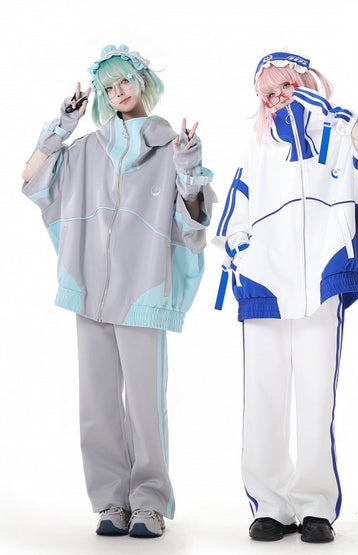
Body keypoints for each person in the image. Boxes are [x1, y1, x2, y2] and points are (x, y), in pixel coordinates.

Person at [22, 44, 215, 538]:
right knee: (97, 404)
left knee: (146, 407)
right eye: (108, 87)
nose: (118, 91)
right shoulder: (86, 149)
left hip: (143, 292)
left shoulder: (172, 147)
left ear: (143, 82)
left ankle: (149, 502)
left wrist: (189, 171)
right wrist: (62, 128)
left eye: (124, 80)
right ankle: (111, 500)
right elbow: (32, 179)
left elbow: (194, 225)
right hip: (89, 290)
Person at [215, 50, 358, 543]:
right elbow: (232, 219)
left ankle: (314, 507)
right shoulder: (258, 150)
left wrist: (331, 112)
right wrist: (243, 256)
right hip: (265, 288)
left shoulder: (340, 136)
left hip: (322, 284)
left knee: (316, 397)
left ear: (305, 83)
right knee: (262, 399)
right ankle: (269, 506)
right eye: (266, 94)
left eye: (284, 87)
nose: (275, 99)